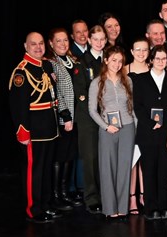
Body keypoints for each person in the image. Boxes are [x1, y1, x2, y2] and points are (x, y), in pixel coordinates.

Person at [9, 32, 60, 223]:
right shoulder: (21, 72)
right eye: (33, 44)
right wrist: (23, 131)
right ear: (25, 46)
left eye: (41, 43)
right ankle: (34, 209)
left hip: (49, 127)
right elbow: (18, 105)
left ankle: (46, 204)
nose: (38, 47)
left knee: (46, 169)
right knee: (34, 171)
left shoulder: (45, 66)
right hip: (34, 131)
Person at [133, 45, 167, 221]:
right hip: (147, 133)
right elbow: (137, 106)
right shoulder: (140, 80)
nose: (161, 61)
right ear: (151, 60)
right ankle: (151, 207)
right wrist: (151, 123)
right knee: (149, 170)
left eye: (164, 58)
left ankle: (165, 206)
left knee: (165, 170)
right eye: (157, 58)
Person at [88, 46, 135, 220]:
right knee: (107, 167)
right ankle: (110, 208)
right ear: (106, 60)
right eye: (114, 60)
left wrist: (135, 127)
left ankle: (122, 208)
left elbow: (132, 108)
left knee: (124, 168)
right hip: (107, 129)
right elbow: (92, 110)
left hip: (127, 127)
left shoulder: (127, 81)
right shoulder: (97, 82)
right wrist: (106, 126)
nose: (117, 64)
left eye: (120, 61)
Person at [76, 25, 107, 214]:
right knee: (91, 158)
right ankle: (92, 197)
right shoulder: (82, 62)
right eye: (95, 39)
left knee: (105, 158)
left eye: (102, 39)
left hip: (107, 116)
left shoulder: (109, 59)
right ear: (89, 40)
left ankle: (105, 195)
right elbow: (81, 93)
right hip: (88, 117)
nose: (99, 43)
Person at [46, 28, 78, 211]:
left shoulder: (73, 61)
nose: (63, 44)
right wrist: (65, 116)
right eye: (58, 41)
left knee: (70, 156)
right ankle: (56, 195)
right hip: (63, 118)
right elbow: (56, 92)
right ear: (51, 43)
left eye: (65, 40)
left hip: (76, 117)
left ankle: (65, 193)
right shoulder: (51, 63)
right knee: (60, 157)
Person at [124, 37, 151, 215]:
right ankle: (132, 197)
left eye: (145, 50)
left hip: (148, 119)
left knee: (145, 159)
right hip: (130, 119)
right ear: (132, 52)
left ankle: (145, 195)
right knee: (133, 160)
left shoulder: (153, 68)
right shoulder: (124, 70)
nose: (141, 53)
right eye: (138, 50)